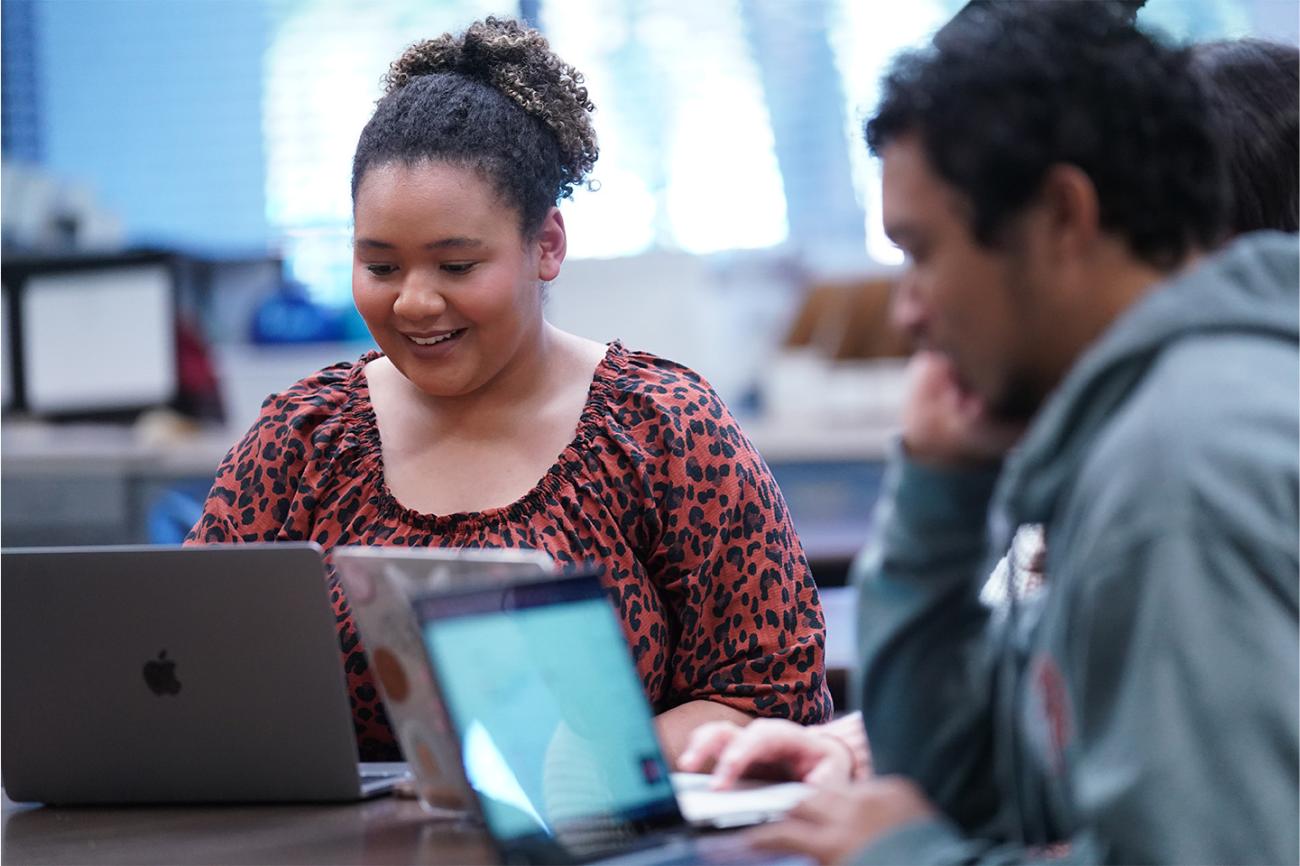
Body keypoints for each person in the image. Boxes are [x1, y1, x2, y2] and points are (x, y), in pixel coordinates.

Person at [681, 4, 1298, 863]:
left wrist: (909, 856)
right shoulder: (1097, 446)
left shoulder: (1180, 467)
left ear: (1063, 217)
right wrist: (940, 494)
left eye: (924, 251)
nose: (906, 311)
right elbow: (959, 779)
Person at [187, 17, 832, 763]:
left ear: (546, 246)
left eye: (456, 267)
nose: (414, 303)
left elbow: (772, 693)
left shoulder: (664, 429)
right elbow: (190, 671)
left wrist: (576, 779)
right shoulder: (301, 441)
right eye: (382, 267)